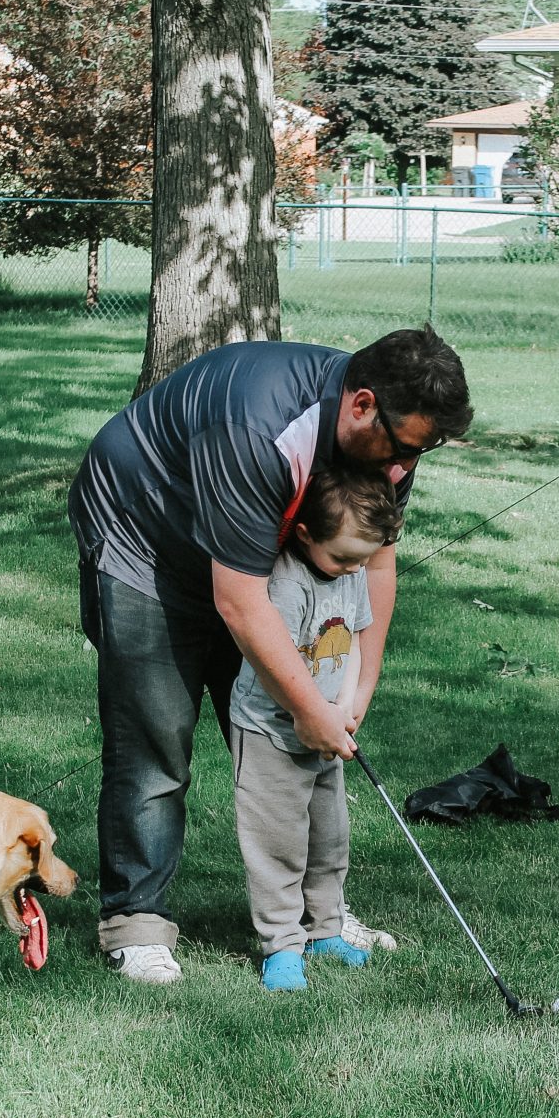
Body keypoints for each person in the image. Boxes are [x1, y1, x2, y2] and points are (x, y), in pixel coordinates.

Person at [68, 327, 473, 984]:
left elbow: (376, 559)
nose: (403, 470)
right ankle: (135, 924)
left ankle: (322, 919)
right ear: (361, 404)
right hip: (144, 533)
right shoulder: (257, 425)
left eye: (419, 454)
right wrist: (309, 705)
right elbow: (237, 601)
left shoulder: (393, 441)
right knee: (156, 736)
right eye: (403, 450)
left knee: (288, 739)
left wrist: (352, 692)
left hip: (253, 555)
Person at [228, 467, 400, 991]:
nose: (353, 568)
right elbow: (272, 660)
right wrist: (316, 714)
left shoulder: (350, 574)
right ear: (305, 533)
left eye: (363, 559)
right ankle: (281, 944)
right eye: (344, 557)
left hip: (325, 733)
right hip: (271, 734)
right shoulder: (286, 583)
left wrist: (345, 707)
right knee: (278, 842)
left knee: (329, 837)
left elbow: (351, 641)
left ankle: (325, 928)